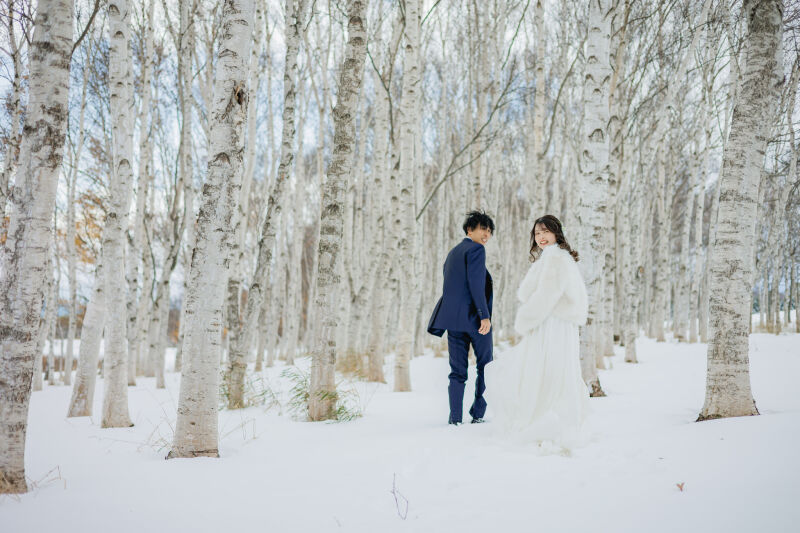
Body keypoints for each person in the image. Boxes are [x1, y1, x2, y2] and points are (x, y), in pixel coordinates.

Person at [487, 214, 590, 454]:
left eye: (545, 231)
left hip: (553, 322)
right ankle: (547, 416)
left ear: (556, 233)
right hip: (552, 322)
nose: (541, 237)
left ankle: (546, 419)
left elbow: (548, 294)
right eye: (537, 233)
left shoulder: (556, 259)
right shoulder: (550, 258)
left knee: (546, 369)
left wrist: (526, 319)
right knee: (547, 369)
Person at [427, 210, 494, 425]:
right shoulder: (476, 249)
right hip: (476, 320)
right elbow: (476, 285)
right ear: (469, 230)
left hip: (453, 321)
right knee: (486, 366)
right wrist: (484, 316)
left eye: (490, 230)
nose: (487, 234)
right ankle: (478, 414)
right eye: (483, 228)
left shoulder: (453, 252)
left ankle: (455, 418)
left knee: (457, 372)